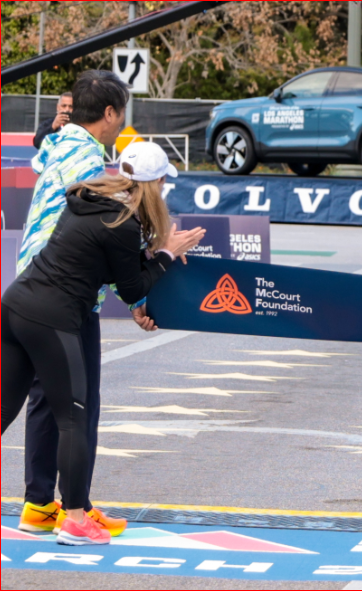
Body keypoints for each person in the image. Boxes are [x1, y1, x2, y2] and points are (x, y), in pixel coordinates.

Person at [2, 142, 206, 546]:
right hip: (53, 317)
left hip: (16, 303)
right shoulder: (123, 222)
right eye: (163, 182)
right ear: (156, 183)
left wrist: (151, 252)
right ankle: (75, 520)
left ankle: (56, 513)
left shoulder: (92, 201)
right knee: (74, 417)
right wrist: (165, 253)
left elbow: (111, 262)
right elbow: (132, 289)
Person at [14, 71, 156, 539]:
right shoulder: (89, 158)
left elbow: (42, 152)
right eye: (122, 115)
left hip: (28, 283)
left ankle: (40, 504)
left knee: (41, 398)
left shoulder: (59, 142)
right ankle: (74, 509)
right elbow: (102, 231)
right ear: (111, 114)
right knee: (79, 405)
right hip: (65, 290)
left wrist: (47, 129)